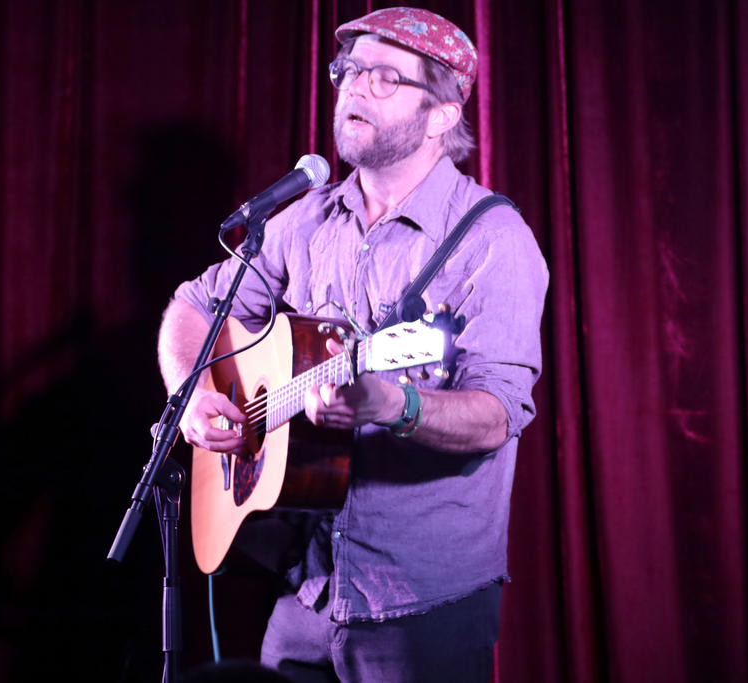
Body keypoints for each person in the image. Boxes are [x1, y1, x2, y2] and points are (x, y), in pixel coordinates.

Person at [157, 7, 549, 682]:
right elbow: (193, 305)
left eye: (384, 77)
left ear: (442, 115)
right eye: (349, 71)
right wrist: (194, 398)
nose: (356, 88)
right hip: (307, 586)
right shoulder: (304, 219)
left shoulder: (494, 241)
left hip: (421, 602)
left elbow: (498, 412)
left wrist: (394, 404)